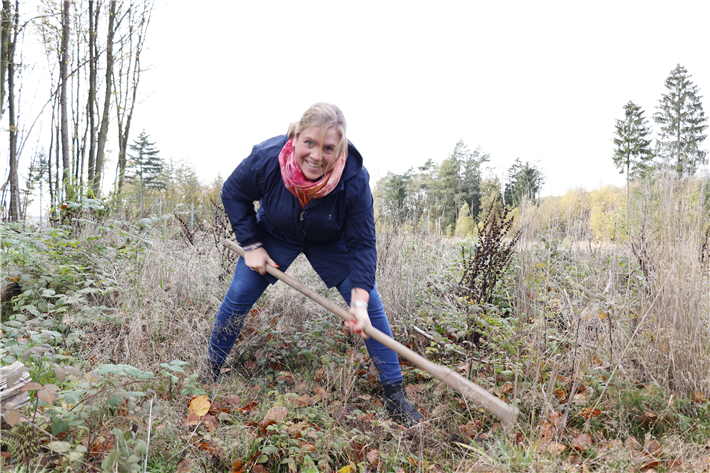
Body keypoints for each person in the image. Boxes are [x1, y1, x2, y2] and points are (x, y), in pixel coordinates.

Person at [205, 103, 422, 427]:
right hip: (275, 232)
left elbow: (362, 243)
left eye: (328, 147)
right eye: (310, 143)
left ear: (340, 149)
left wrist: (358, 303)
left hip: (330, 240)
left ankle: (395, 395)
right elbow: (233, 192)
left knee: (371, 310)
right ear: (295, 136)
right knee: (238, 295)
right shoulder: (266, 158)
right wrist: (251, 244)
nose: (317, 155)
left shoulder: (354, 179)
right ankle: (208, 372)